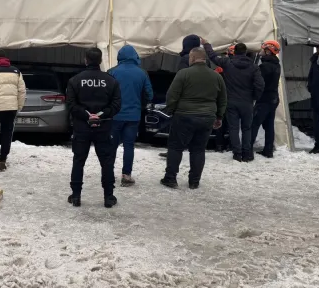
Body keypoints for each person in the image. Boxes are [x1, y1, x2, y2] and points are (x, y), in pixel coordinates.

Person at [161, 48, 227, 189]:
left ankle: (170, 178)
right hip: (207, 117)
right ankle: (194, 181)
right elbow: (222, 99)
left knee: (176, 147)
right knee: (198, 150)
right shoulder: (216, 77)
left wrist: (171, 110)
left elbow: (172, 95)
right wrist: (219, 116)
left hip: (184, 115)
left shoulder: (183, 74)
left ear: (192, 58)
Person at [66, 48, 122, 208]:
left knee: (78, 161)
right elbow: (117, 105)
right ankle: (109, 197)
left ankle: (76, 196)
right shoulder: (111, 81)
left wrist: (86, 115)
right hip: (104, 128)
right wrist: (101, 115)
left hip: (81, 127)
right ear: (100, 60)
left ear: (85, 60)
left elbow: (71, 104)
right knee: (106, 162)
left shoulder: (75, 80)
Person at [203, 40, 264, 162]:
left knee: (233, 128)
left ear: (234, 52)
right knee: (247, 128)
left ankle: (237, 153)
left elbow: (213, 56)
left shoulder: (227, 63)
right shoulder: (254, 67)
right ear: (246, 52)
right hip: (247, 102)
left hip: (231, 102)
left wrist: (207, 44)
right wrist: (254, 97)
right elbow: (260, 84)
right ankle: (247, 154)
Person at [108, 45, 153, 186]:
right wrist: (141, 105)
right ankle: (126, 176)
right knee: (129, 146)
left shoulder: (112, 72)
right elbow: (149, 94)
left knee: (111, 146)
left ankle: (108, 174)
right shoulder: (142, 73)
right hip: (133, 116)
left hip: (115, 116)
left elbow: (106, 93)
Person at [250, 40, 282, 158]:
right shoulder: (276, 65)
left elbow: (259, 83)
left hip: (264, 99)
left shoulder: (264, 67)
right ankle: (268, 150)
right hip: (273, 98)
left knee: (254, 123)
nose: (261, 51)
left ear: (268, 51)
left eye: (263, 49)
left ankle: (247, 149)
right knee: (269, 125)